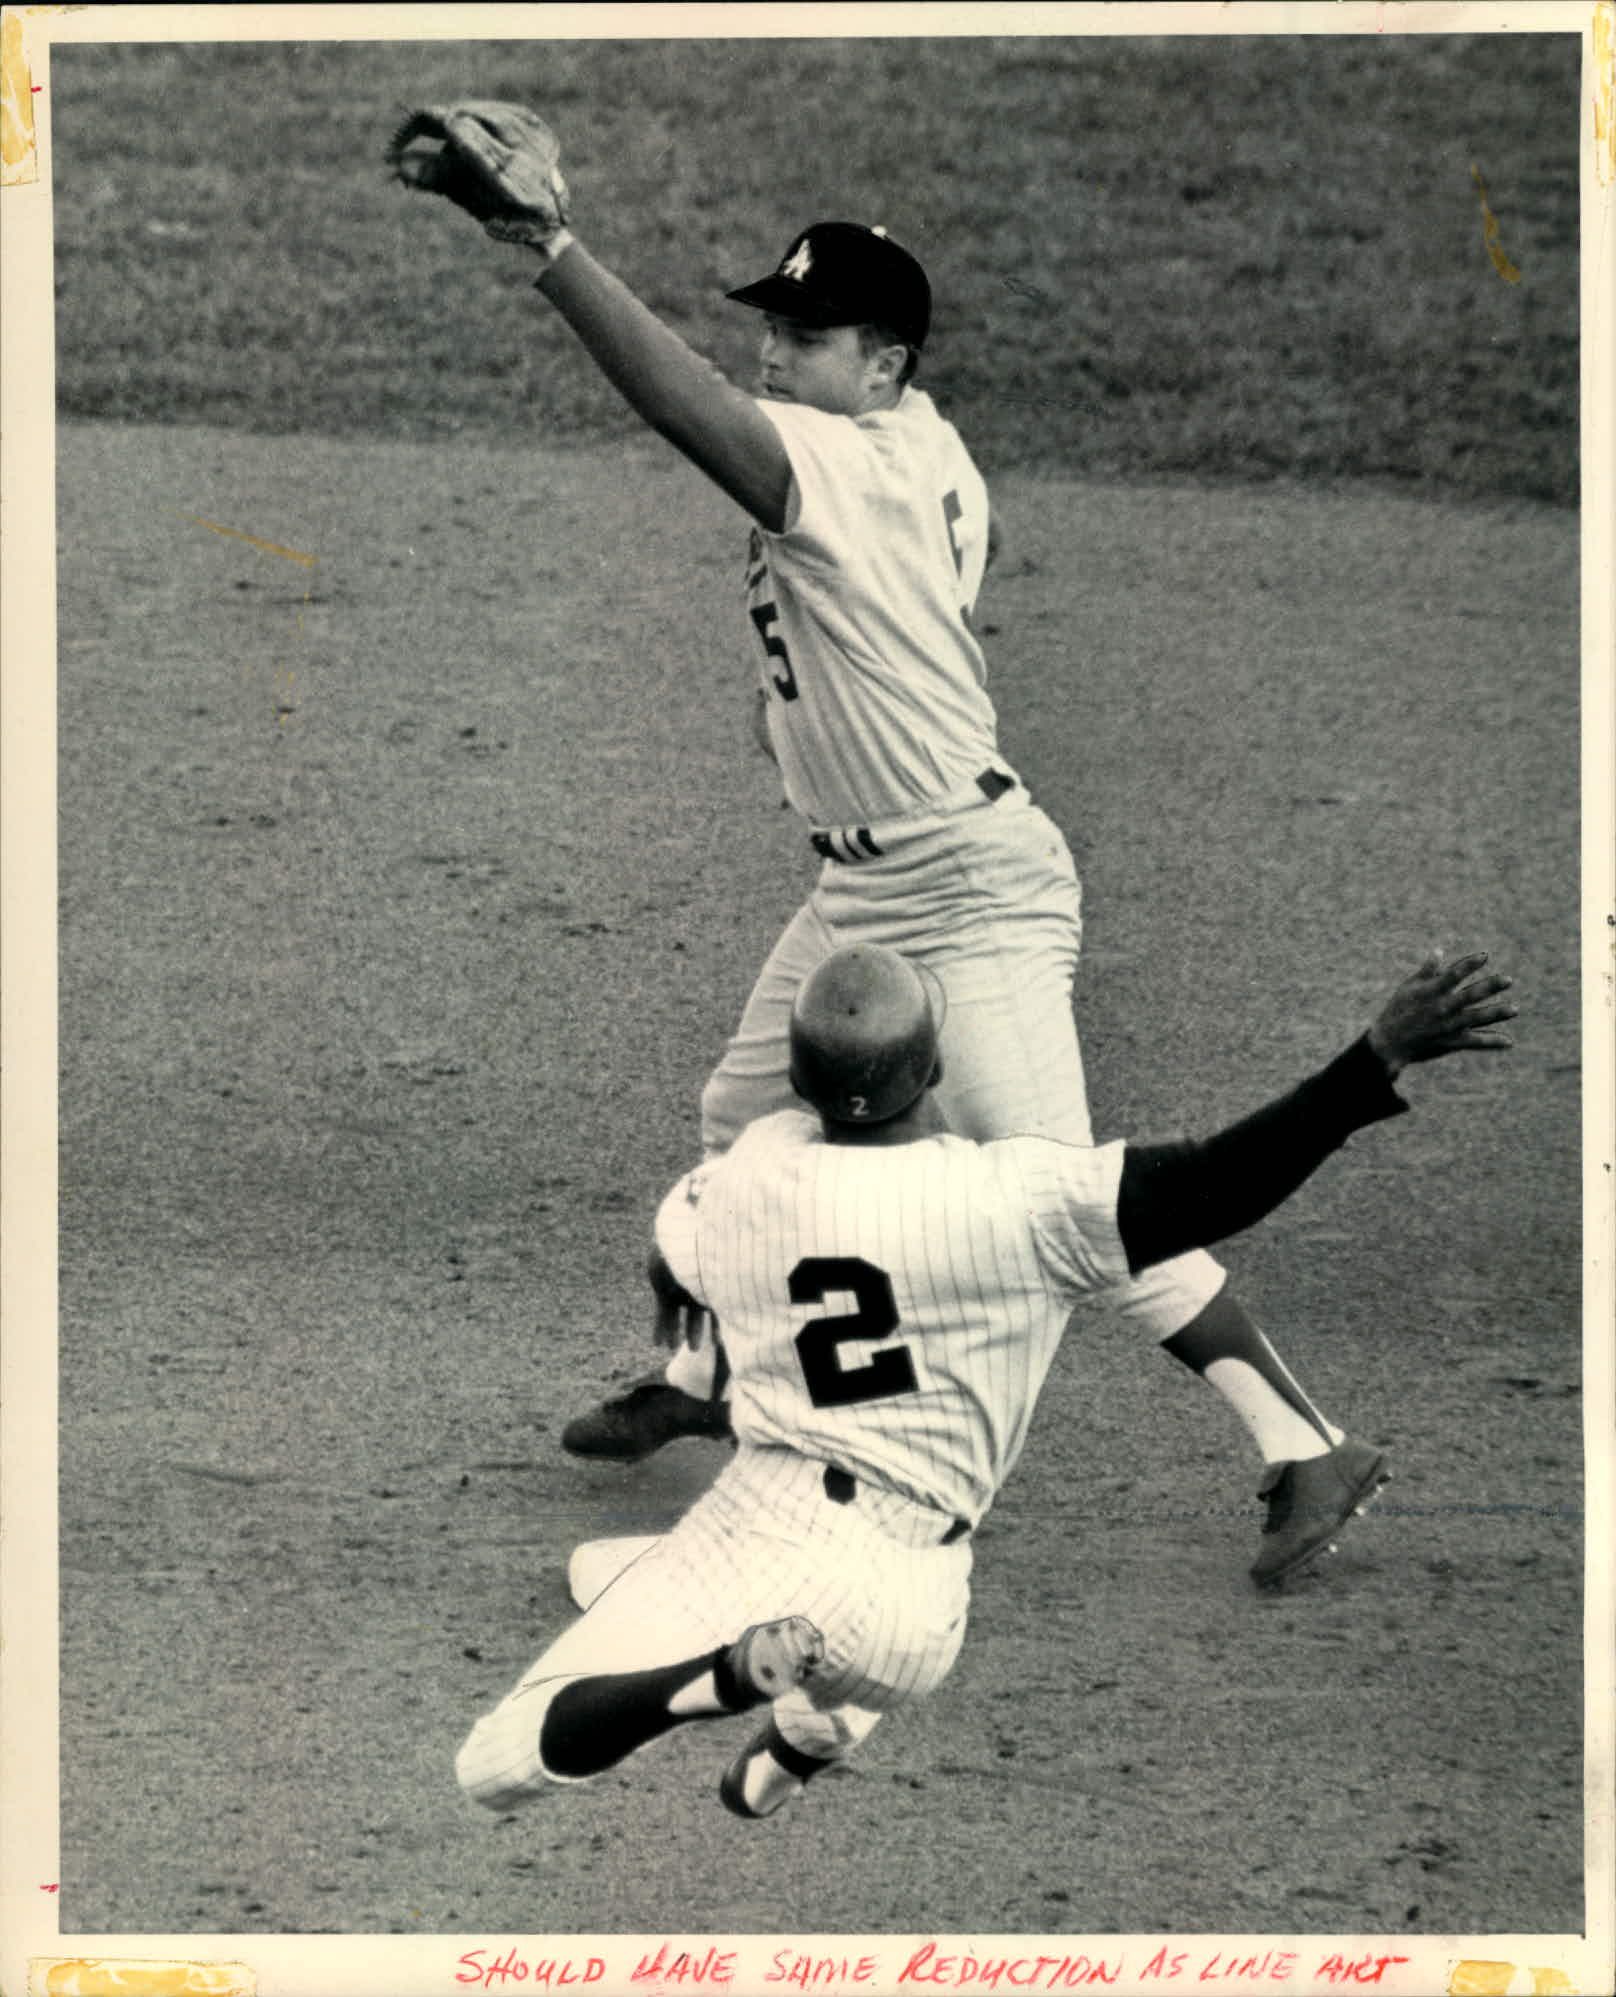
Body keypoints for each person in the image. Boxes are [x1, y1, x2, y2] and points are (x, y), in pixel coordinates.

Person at [398, 108, 1411, 1584]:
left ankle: (1306, 1441)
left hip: (969, 885)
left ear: (885, 368)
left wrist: (551, 251)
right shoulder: (929, 451)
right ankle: (696, 1379)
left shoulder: (845, 462)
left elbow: (696, 420)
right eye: (776, 323)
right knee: (738, 1116)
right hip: (870, 879)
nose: (775, 348)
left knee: (1062, 1201)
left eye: (811, 336)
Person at [454, 940, 1515, 1820]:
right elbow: (1218, 1180)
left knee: (493, 1762)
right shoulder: (1021, 1205)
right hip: (915, 1609)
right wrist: (1375, 1053)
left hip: (764, 1522)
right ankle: (788, 1749)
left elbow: (674, 1236)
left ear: (801, 1080)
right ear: (930, 1071)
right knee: (798, 1649)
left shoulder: (743, 1174)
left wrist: (666, 1276)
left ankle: (716, 1682)